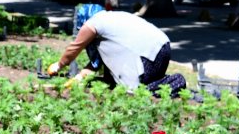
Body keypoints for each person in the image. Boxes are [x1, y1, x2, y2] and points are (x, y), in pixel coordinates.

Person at [48, 8, 186, 97]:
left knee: (133, 93)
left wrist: (59, 65)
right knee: (111, 79)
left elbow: (74, 47)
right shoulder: (110, 19)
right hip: (162, 48)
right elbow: (96, 63)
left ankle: (175, 81)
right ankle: (164, 83)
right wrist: (79, 78)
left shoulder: (93, 23)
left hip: (148, 55)